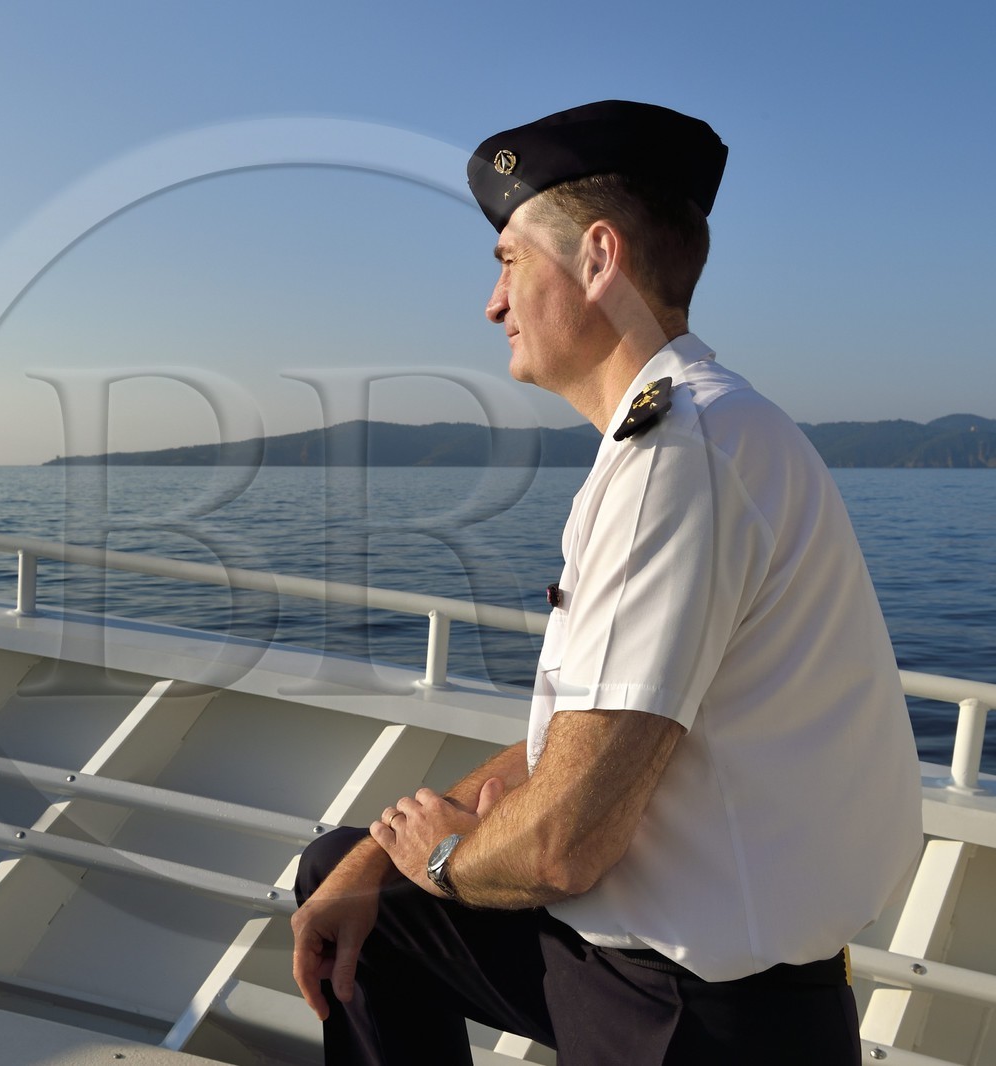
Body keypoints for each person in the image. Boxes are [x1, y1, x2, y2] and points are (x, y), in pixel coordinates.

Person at [290, 100, 923, 1065]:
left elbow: (562, 847)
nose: (491, 304)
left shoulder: (681, 458)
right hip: (662, 975)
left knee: (391, 891)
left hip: (694, 1021)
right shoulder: (691, 436)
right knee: (348, 877)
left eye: (507, 262)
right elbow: (581, 740)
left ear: (596, 259)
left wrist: (445, 859)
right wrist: (385, 856)